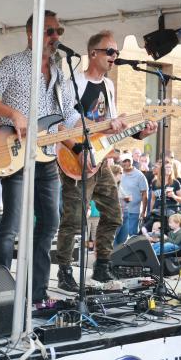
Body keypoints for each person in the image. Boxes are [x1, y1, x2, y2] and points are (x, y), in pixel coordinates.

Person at [0, 10, 81, 306]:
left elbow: (68, 117)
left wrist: (107, 126)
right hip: (15, 155)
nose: (55, 36)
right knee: (11, 225)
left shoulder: (59, 73)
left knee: (49, 224)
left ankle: (36, 293)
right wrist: (12, 113)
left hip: (47, 158)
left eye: (58, 31)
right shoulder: (14, 63)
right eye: (49, 31)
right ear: (31, 34)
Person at [54, 30, 156, 291]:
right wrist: (95, 134)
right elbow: (66, 123)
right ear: (93, 53)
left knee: (114, 215)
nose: (114, 57)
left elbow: (110, 128)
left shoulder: (109, 86)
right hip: (76, 155)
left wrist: (139, 130)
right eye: (109, 52)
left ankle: (102, 267)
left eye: (116, 53)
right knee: (74, 219)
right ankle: (65, 271)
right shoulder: (73, 83)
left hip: (100, 159)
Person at [114, 153, 148, 246]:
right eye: (124, 161)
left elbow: (145, 194)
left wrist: (143, 211)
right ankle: (116, 258)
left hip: (133, 212)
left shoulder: (139, 175)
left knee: (131, 238)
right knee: (116, 238)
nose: (127, 163)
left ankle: (128, 258)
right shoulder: (118, 174)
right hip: (119, 211)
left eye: (128, 160)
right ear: (121, 162)